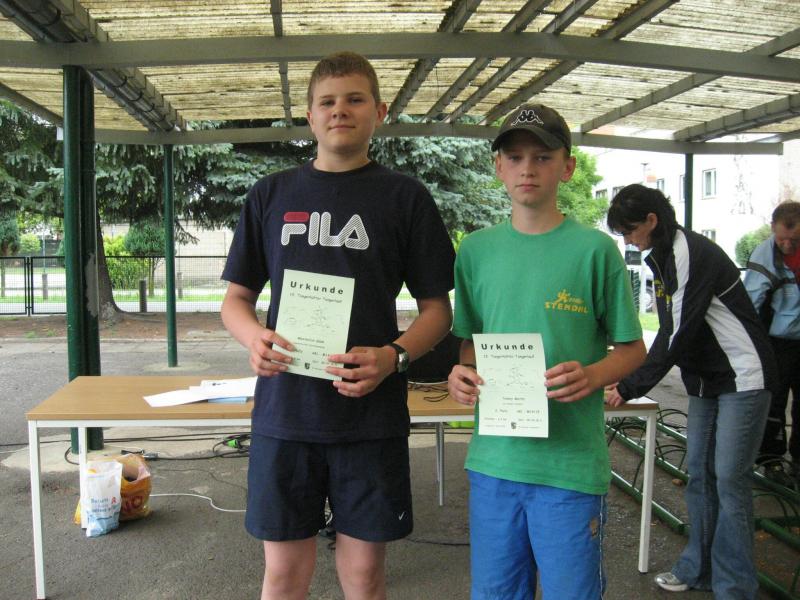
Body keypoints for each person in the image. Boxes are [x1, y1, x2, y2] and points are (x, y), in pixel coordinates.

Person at [220, 51, 455, 600]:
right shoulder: (271, 194)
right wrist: (254, 337)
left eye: (354, 99)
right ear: (310, 116)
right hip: (286, 413)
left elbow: (437, 311)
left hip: (370, 417)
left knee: (365, 576)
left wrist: (394, 356)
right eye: (326, 101)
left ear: (380, 111)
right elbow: (235, 301)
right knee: (283, 575)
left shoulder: (405, 197)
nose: (339, 110)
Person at [447, 104, 647, 599]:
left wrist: (594, 375)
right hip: (495, 463)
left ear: (567, 166)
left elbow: (632, 349)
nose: (527, 169)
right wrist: (462, 373)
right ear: (498, 166)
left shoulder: (595, 251)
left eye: (542, 157)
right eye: (515, 157)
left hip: (569, 467)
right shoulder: (475, 251)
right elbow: (470, 342)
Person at [604, 184, 777, 599]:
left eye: (630, 231)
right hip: (704, 380)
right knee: (700, 474)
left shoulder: (689, 252)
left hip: (743, 376)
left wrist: (629, 385)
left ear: (651, 220)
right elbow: (670, 329)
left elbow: (676, 332)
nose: (628, 241)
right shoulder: (660, 256)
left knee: (729, 479)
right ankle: (698, 569)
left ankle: (736, 587)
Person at [744, 201, 800, 482]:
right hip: (776, 341)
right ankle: (771, 459)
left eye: (795, 240)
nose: (787, 245)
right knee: (774, 402)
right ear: (772, 229)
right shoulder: (765, 256)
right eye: (782, 239)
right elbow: (750, 304)